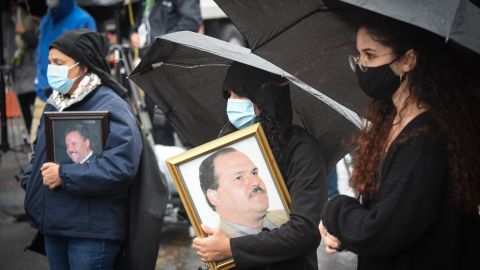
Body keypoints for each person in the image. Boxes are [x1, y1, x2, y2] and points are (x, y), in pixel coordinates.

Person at [319, 13, 480, 270]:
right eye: (359, 55)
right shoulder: (392, 120)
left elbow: (380, 233)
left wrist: (334, 211)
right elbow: (394, 221)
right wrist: (346, 237)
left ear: (407, 59)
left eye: (370, 55)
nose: (362, 65)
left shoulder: (426, 140)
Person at [21, 29, 142, 270]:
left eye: (59, 63)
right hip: (55, 225)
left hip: (92, 232)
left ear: (83, 66)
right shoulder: (55, 103)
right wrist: (31, 179)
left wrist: (64, 175)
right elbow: (40, 151)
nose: (52, 69)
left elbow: (121, 166)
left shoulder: (111, 105)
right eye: (50, 62)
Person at [192, 62, 328, 269]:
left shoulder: (302, 149)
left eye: (239, 95)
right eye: (228, 96)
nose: (231, 103)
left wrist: (231, 248)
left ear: (264, 100)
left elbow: (304, 232)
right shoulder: (229, 141)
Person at [130, 0, 201, 146]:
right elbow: (139, 23)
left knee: (185, 128)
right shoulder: (146, 2)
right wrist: (133, 33)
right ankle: (165, 163)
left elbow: (191, 22)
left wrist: (160, 43)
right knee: (160, 129)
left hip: (175, 69)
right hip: (151, 71)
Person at [31, 0, 96, 143]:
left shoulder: (83, 20)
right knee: (36, 152)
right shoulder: (46, 21)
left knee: (69, 153)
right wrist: (40, 84)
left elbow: (91, 62)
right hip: (43, 97)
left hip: (72, 101)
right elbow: (39, 56)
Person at [199, 147, 289, 238]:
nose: (255, 181)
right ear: (214, 197)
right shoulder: (216, 246)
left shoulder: (290, 217)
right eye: (238, 178)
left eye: (254, 173)